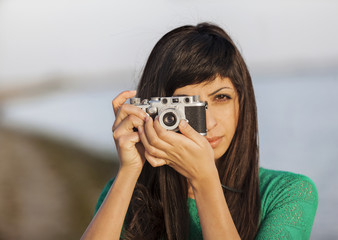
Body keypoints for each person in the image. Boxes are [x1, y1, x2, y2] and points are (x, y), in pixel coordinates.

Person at [81, 23, 318, 240]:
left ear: (242, 103)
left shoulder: (287, 193)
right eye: (187, 106)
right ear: (156, 110)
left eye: (221, 97)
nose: (209, 123)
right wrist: (130, 170)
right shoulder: (127, 194)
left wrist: (204, 181)